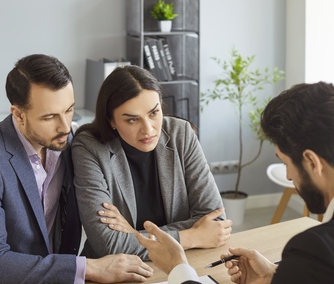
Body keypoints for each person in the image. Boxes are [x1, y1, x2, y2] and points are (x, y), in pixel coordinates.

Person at [138, 81, 334, 284]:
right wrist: (277, 278)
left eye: (286, 163)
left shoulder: (323, 251)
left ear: (311, 162)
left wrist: (178, 269)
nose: (289, 176)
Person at [0, 54, 153, 284]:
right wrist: (89, 268)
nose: (64, 126)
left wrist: (131, 230)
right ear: (18, 114)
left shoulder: (72, 144)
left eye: (69, 110)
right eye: (50, 117)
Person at [71, 65, 232, 259]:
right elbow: (107, 243)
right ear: (111, 120)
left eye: (154, 113)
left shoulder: (181, 134)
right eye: (132, 120)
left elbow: (215, 221)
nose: (148, 130)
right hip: (116, 272)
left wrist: (132, 233)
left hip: (181, 263)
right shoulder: (89, 148)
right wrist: (191, 236)